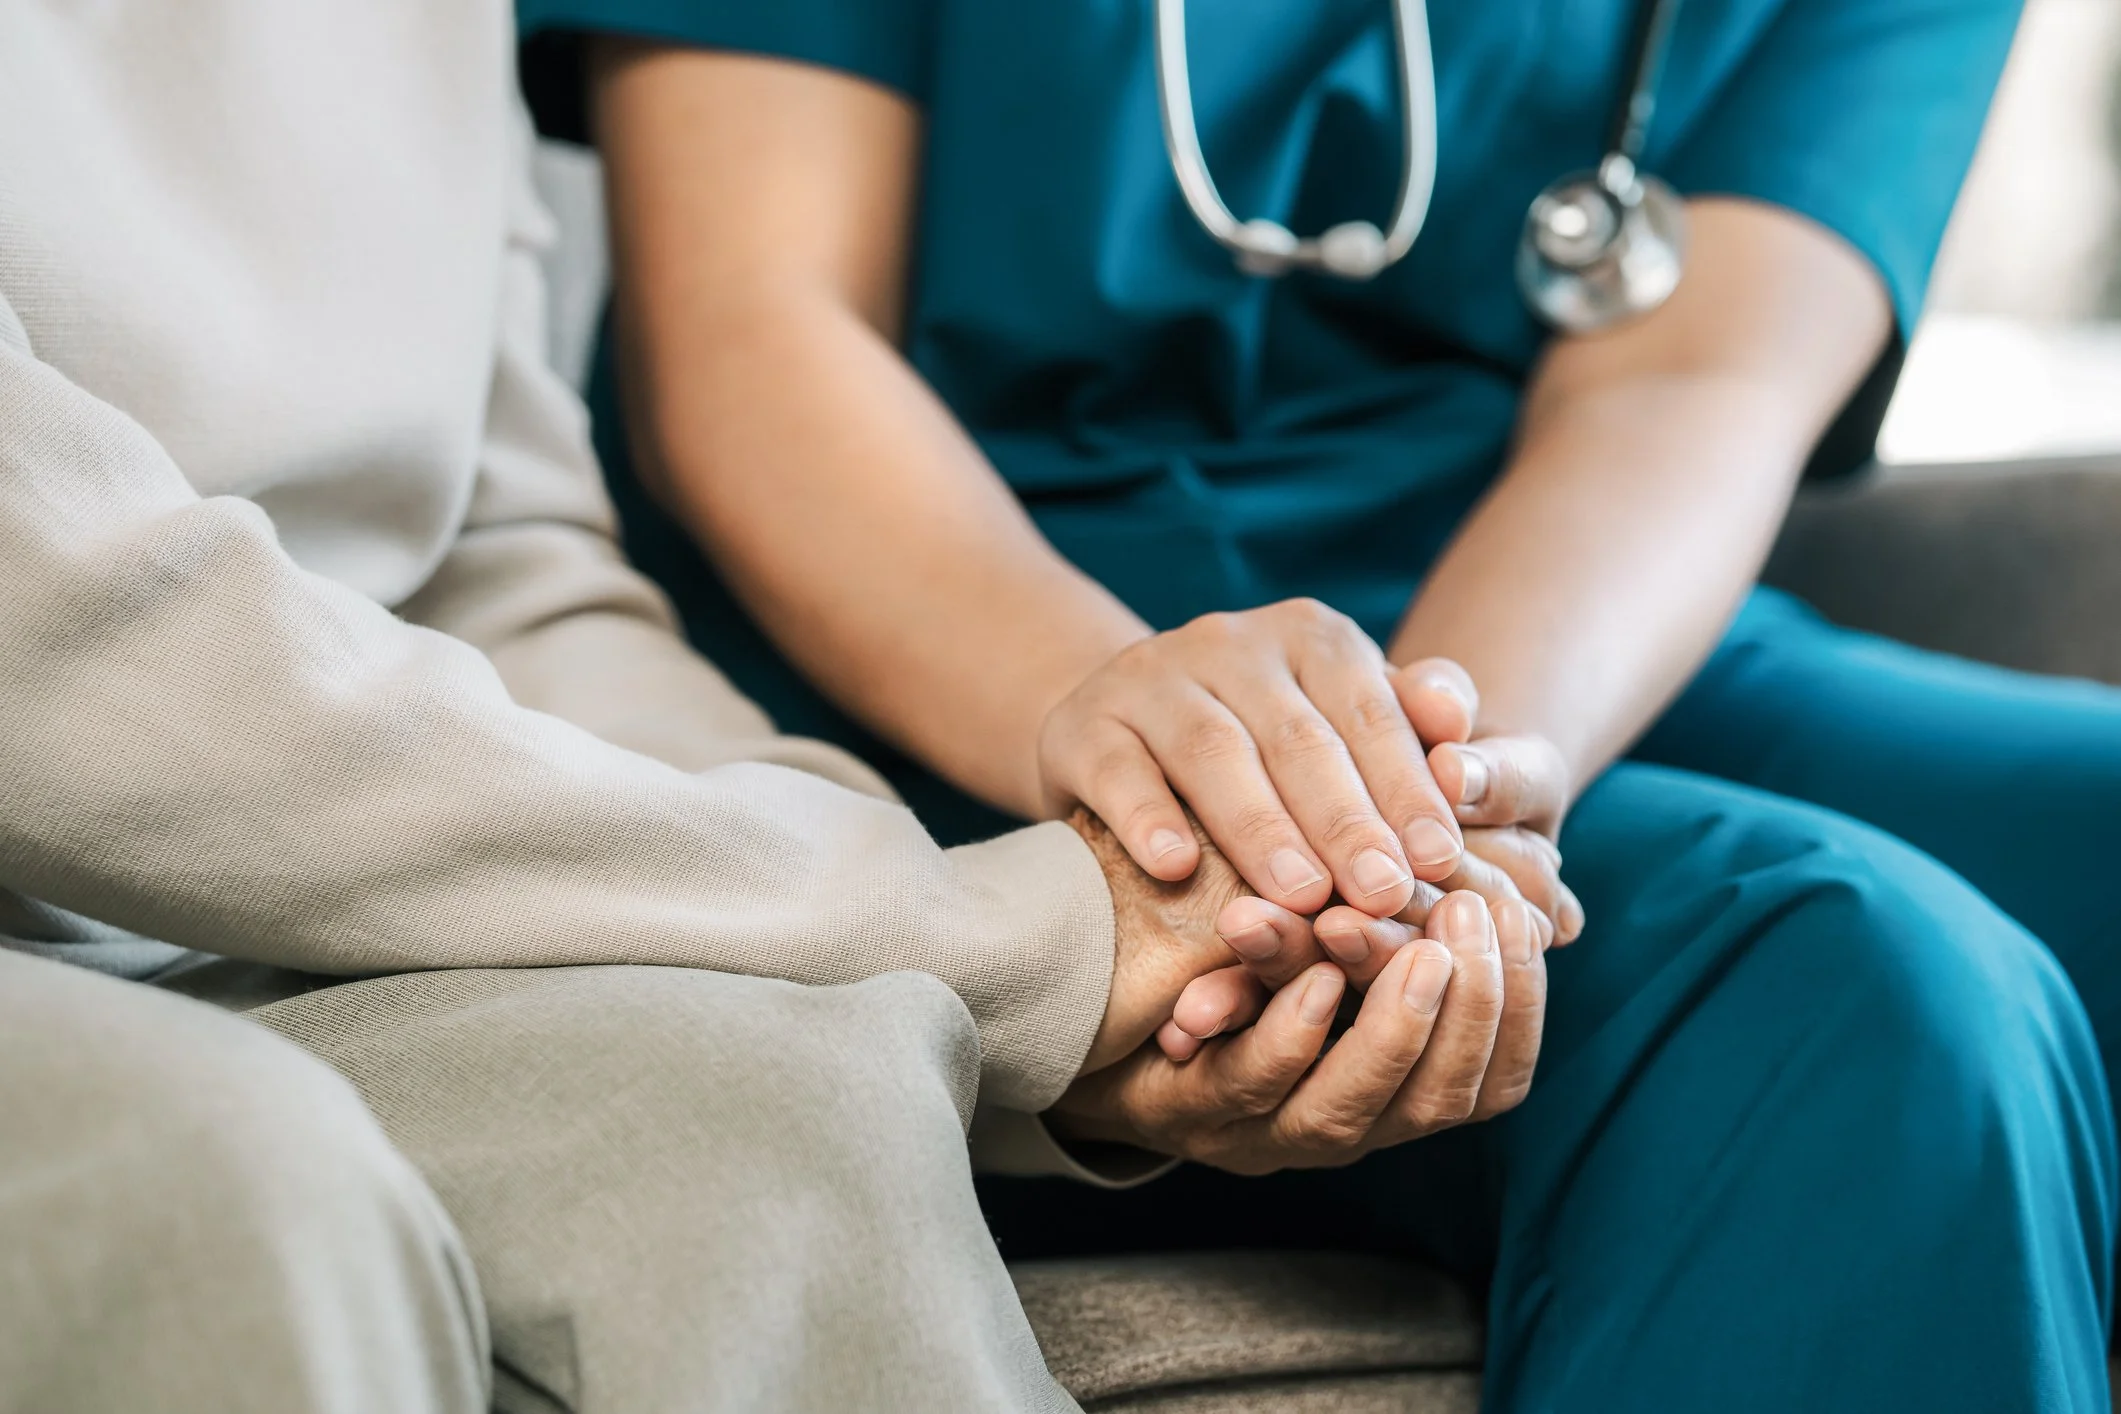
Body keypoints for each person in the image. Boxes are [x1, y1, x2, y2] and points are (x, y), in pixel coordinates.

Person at [518, 0, 2121, 1407]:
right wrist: (1163, 740)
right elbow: (753, 327)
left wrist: (1422, 797)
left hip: (1557, 625)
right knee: (1847, 991)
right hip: (945, 641)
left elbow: (1689, 381)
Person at [0, 5, 1551, 1410]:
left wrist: (1061, 979)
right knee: (222, 1176)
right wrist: (1013, 938)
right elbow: (60, 640)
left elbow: (498, 570)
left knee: (786, 1102)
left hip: (275, 927)